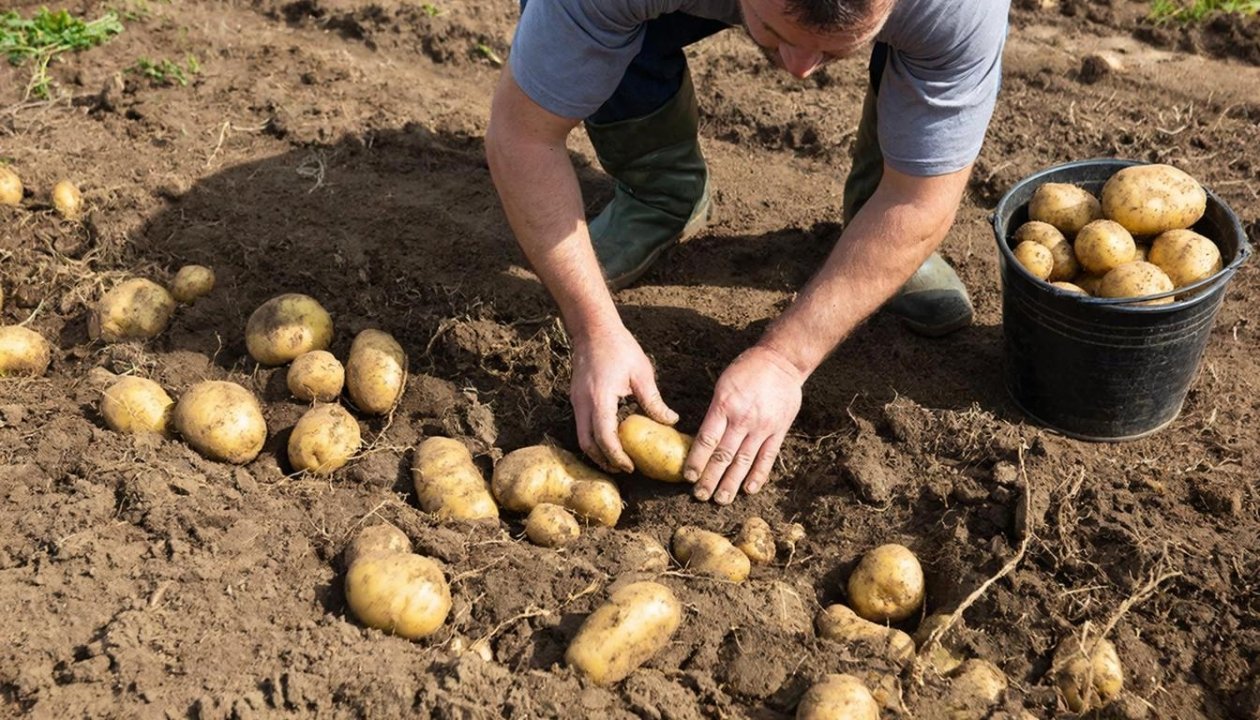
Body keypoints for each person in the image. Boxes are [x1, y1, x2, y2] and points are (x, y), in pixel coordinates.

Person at [485, 0, 1010, 504]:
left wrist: (785, 360)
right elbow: (524, 134)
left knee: (925, 58)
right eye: (777, 33)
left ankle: (877, 235)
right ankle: (660, 192)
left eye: (831, 51)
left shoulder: (959, 7)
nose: (800, 69)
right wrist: (592, 329)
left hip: (923, 21)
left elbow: (919, 201)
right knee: (602, 18)